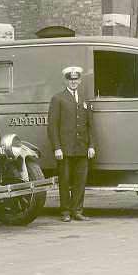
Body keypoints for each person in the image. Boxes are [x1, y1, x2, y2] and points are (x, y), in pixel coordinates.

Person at [48, 66, 95, 222]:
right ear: (66, 81)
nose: (73, 82)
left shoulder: (84, 99)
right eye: (70, 79)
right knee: (65, 180)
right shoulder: (58, 99)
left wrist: (91, 146)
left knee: (80, 181)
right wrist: (57, 148)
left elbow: (90, 125)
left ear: (80, 80)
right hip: (65, 149)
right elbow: (52, 126)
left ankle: (78, 211)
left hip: (82, 147)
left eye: (76, 79)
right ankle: (66, 212)